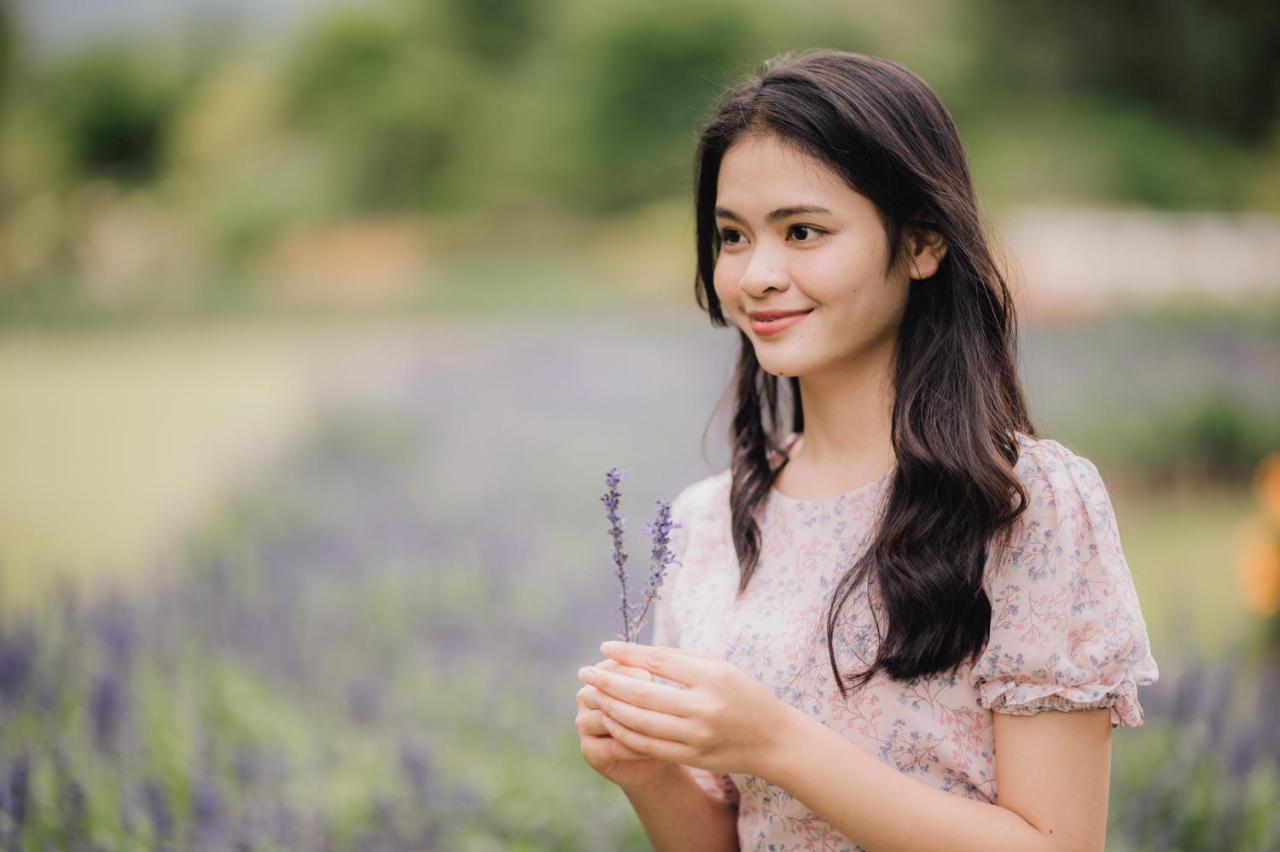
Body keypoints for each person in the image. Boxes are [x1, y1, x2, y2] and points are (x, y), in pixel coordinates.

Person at [574, 48, 1159, 851]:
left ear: (922, 243)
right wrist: (650, 776)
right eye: (732, 235)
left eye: (803, 231)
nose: (758, 275)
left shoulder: (1024, 501)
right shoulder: (708, 524)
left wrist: (778, 743)